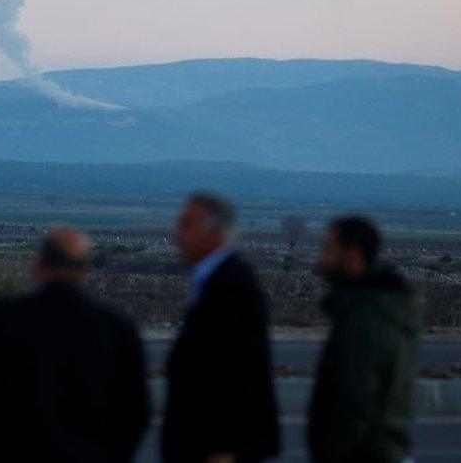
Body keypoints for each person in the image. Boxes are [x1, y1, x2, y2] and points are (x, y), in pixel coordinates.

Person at [0, 227, 150, 463]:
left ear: (39, 265)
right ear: (83, 271)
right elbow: (136, 413)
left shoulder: (0, 319)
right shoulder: (117, 329)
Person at [161, 193, 280, 463]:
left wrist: (225, 447)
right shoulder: (212, 281)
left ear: (214, 232)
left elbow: (240, 372)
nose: (177, 234)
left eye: (186, 225)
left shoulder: (232, 287)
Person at [308, 217, 421, 463]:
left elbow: (357, 396)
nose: (320, 259)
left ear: (353, 253)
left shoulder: (367, 315)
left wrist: (334, 450)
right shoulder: (384, 306)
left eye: (327, 249)